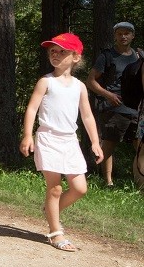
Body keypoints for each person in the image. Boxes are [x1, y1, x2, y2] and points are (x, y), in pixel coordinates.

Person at [20, 33, 103, 252]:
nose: (55, 55)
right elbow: (31, 109)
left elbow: (86, 116)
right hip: (48, 138)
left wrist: (95, 141)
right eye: (52, 51)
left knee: (80, 188)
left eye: (62, 51)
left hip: (70, 141)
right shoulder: (45, 82)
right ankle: (56, 233)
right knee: (55, 188)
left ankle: (50, 209)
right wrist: (28, 135)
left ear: (76, 57)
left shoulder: (80, 86)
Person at [86, 22, 140, 186]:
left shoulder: (138, 55)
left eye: (127, 33)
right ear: (115, 36)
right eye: (120, 33)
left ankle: (140, 185)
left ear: (132, 36)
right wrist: (108, 95)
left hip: (136, 108)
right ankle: (108, 183)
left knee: (140, 147)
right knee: (109, 145)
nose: (123, 36)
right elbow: (90, 81)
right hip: (114, 107)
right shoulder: (107, 56)